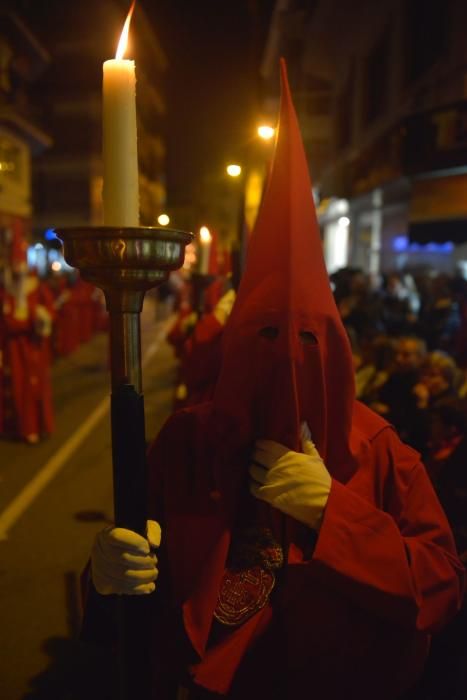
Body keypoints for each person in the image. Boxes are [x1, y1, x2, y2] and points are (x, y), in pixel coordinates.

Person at [87, 61, 464, 699]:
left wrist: (332, 512)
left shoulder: (379, 453)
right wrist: (104, 575)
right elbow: (130, 593)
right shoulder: (187, 445)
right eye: (265, 337)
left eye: (308, 340)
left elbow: (442, 586)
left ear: (337, 352)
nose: (287, 361)